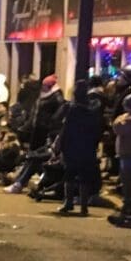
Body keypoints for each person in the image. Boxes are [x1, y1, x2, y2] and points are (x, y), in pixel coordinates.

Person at [58, 80, 100, 216]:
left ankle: (68, 202)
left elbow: (66, 129)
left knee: (69, 175)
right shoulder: (92, 110)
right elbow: (96, 130)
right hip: (87, 147)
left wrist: (61, 146)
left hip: (73, 146)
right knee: (84, 177)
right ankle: (83, 206)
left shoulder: (73, 109)